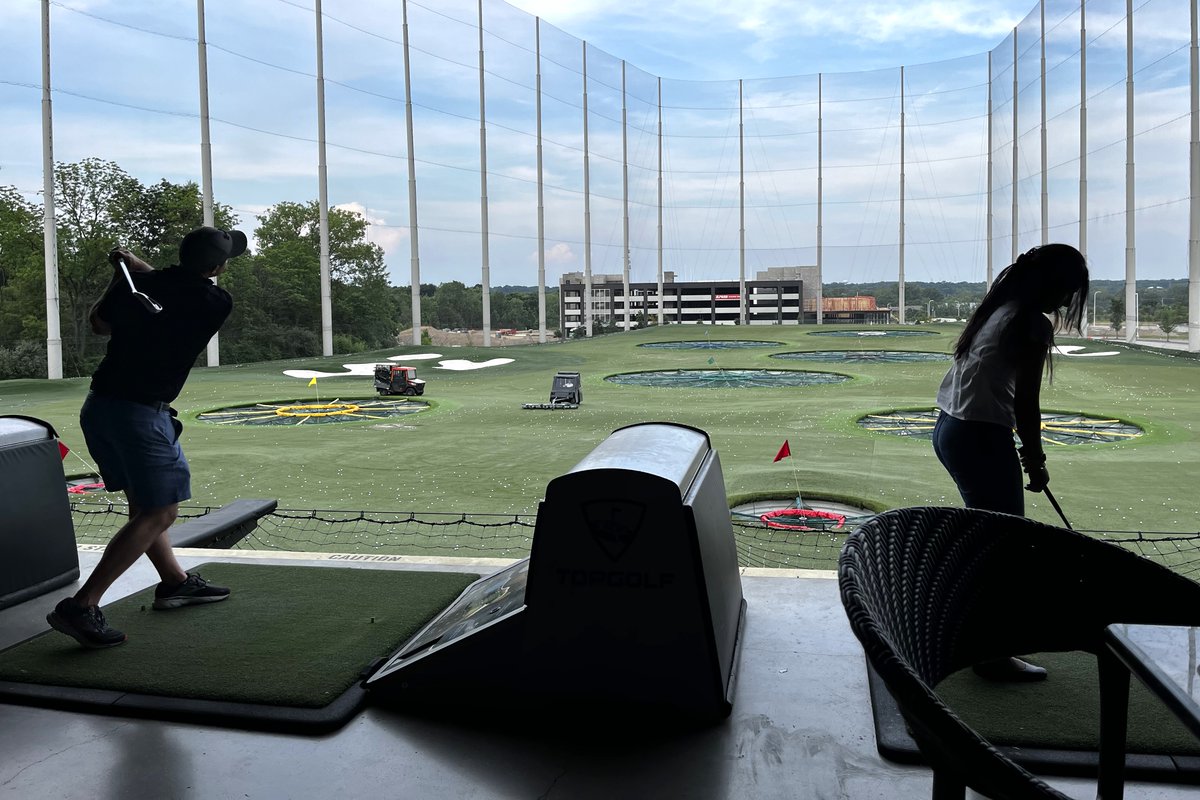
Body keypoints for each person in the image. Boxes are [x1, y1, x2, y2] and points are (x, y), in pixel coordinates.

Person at [47, 226, 248, 648]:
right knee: (160, 512)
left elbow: (99, 323)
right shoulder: (216, 301)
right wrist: (139, 272)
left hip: (101, 407)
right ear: (217, 267)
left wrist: (126, 273)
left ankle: (175, 582)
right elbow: (179, 292)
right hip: (140, 415)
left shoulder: (142, 285)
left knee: (143, 505)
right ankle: (82, 606)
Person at [932, 243, 1088, 681]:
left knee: (987, 540)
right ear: (1051, 285)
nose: (1064, 302)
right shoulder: (1031, 324)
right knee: (1002, 548)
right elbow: (1027, 405)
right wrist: (1035, 460)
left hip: (949, 427)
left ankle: (968, 635)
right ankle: (991, 656)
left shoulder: (997, 309)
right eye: (1066, 291)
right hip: (980, 435)